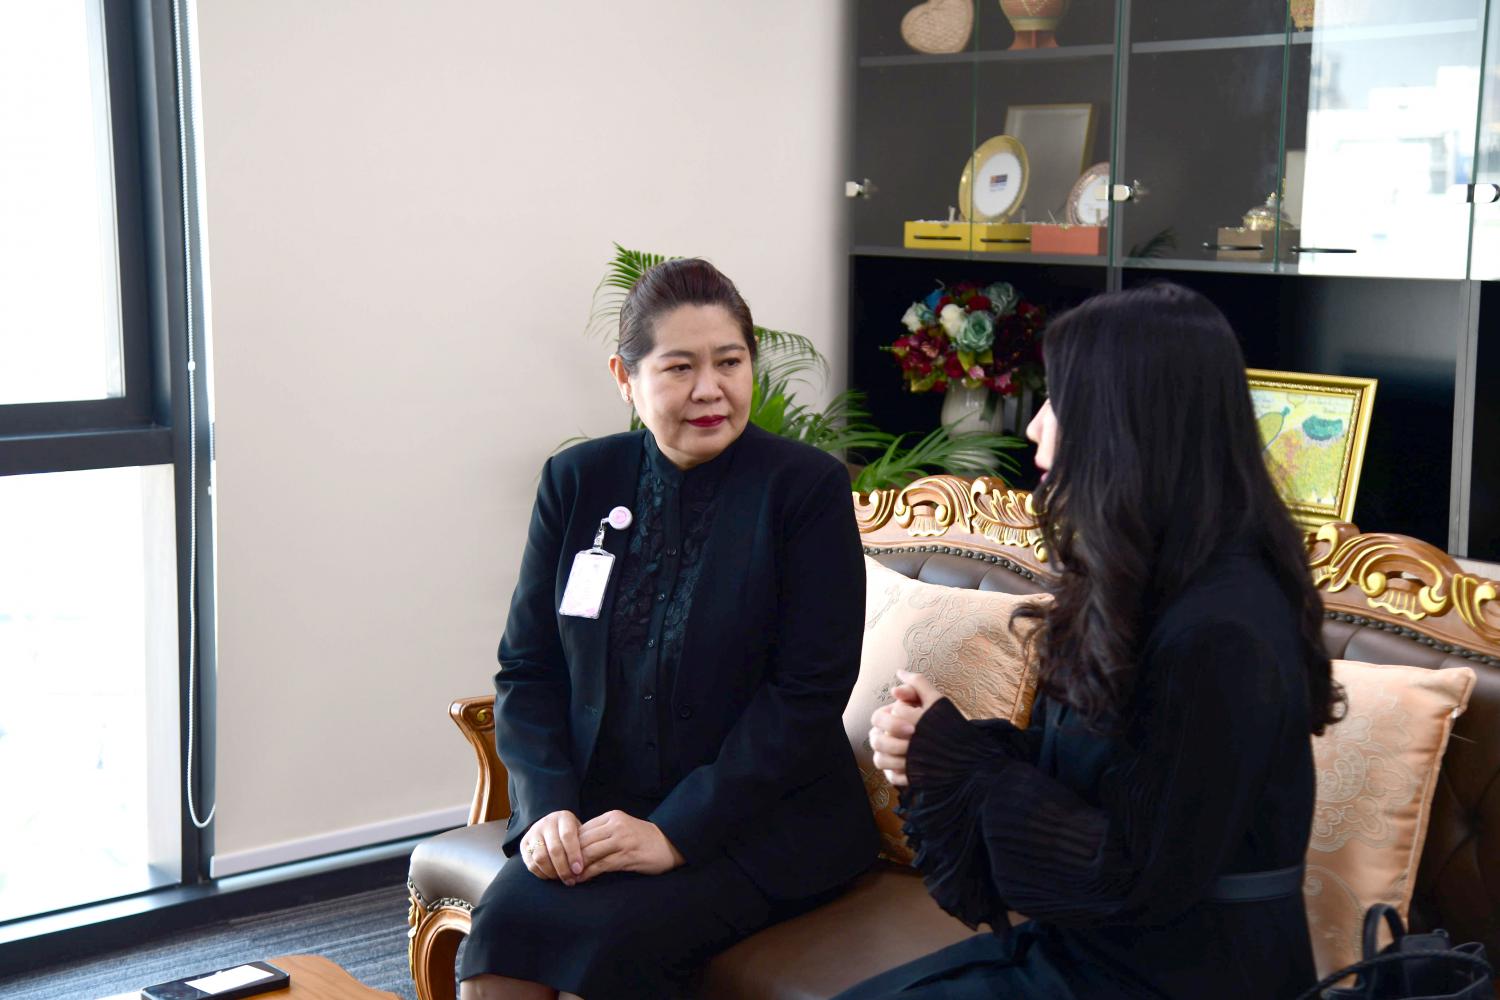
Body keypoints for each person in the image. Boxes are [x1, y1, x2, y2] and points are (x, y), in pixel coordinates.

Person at [846, 283, 1343, 1000]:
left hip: (1187, 979)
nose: (1033, 428)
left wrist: (954, 758)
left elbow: (1131, 873)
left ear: (1126, 421)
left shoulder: (1223, 630)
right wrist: (941, 742)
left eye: (1058, 400)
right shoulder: (1148, 580)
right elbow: (1100, 785)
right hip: (1104, 956)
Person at [459, 258, 877, 1000]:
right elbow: (528, 668)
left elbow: (806, 696)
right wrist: (548, 808)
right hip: (601, 816)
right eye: (680, 367)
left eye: (730, 362)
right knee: (501, 937)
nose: (710, 389)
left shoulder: (804, 488)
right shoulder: (578, 481)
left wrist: (676, 832)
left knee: (613, 946)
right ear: (625, 377)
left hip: (762, 823)